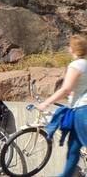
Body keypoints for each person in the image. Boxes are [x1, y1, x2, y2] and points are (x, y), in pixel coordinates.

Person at [35, 35, 87, 177]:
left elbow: (65, 89)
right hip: (78, 111)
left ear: (73, 49)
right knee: (73, 151)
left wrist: (46, 102)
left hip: (82, 111)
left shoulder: (75, 65)